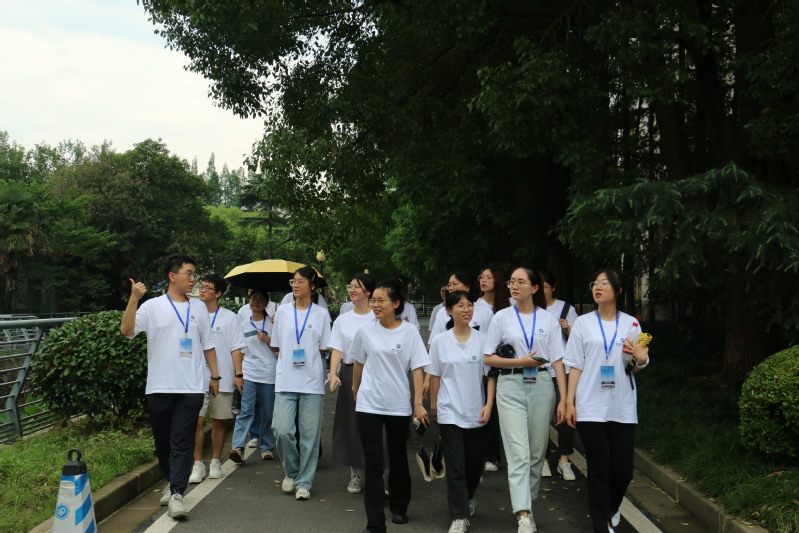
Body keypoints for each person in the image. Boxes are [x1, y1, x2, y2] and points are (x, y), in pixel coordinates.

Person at [120, 254, 220, 520]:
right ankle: (171, 480)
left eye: (195, 274)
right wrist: (133, 299)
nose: (193, 279)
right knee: (163, 441)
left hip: (192, 387)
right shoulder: (152, 306)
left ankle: (177, 493)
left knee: (182, 441)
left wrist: (215, 376)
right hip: (160, 386)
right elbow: (127, 331)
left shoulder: (199, 308)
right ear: (172, 276)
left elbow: (208, 344)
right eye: (189, 273)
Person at [564, 268, 649, 533]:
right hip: (590, 404)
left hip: (622, 405)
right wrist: (569, 402)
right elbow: (575, 365)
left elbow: (633, 365)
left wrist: (641, 359)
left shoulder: (631, 324)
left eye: (605, 283)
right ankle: (601, 525)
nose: (597, 287)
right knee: (598, 467)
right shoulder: (583, 323)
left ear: (619, 291)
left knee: (623, 471)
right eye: (595, 283)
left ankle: (610, 508)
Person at [483, 267, 567, 533]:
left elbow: (558, 361)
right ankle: (523, 513)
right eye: (511, 281)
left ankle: (527, 505)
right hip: (510, 385)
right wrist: (520, 361)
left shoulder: (548, 320)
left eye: (521, 282)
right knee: (518, 452)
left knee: (536, 453)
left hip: (542, 385)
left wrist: (565, 399)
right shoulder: (501, 317)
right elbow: (488, 357)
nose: (514, 286)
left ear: (535, 288)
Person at [351, 280, 430, 533]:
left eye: (380, 300)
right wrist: (355, 389)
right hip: (369, 404)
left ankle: (399, 506)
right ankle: (375, 523)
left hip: (397, 404)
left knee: (397, 458)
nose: (375, 305)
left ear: (396, 304)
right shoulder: (365, 331)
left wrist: (418, 403)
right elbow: (358, 362)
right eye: (373, 300)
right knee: (373, 464)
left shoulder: (409, 332)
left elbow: (417, 368)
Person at [428, 291, 496, 533]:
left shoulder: (483, 339)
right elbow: (435, 375)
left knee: (474, 465)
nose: (466, 309)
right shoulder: (440, 341)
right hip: (449, 411)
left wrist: (489, 404)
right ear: (449, 311)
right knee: (455, 465)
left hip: (476, 411)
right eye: (460, 306)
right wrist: (433, 405)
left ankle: (467, 496)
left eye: (469, 305)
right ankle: (458, 516)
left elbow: (490, 376)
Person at [270, 266, 332, 501]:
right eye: (293, 281)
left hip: (311, 383)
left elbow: (323, 349)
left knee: (309, 436)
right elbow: (276, 345)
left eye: (300, 281)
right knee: (282, 430)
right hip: (285, 381)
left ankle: (304, 482)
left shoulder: (321, 314)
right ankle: (292, 471)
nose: (295, 285)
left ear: (312, 286)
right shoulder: (283, 311)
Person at [189, 275, 246, 484]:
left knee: (219, 421)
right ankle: (197, 463)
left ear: (219, 293)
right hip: (195, 378)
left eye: (207, 288)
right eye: (201, 286)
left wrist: (238, 374)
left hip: (222, 377)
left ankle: (215, 461)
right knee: (196, 421)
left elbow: (236, 348)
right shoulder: (191, 314)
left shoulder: (229, 317)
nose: (202, 290)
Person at [328, 273, 377, 494]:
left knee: (376, 424)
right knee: (351, 423)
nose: (352, 290)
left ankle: (377, 473)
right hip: (350, 373)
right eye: (350, 286)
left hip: (376, 374)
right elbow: (337, 348)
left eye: (357, 286)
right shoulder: (343, 319)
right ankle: (355, 473)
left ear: (369, 291)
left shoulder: (378, 316)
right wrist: (333, 373)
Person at [228, 288, 278, 463]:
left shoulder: (273, 324)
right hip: (249, 372)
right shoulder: (242, 325)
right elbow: (239, 351)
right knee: (246, 410)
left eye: (260, 299)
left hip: (269, 373)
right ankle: (238, 447)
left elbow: (280, 350)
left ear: (266, 303)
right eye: (253, 299)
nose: (256, 302)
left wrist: (267, 339)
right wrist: (238, 374)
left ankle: (267, 447)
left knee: (268, 413)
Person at [540, 270, 580, 481]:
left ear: (553, 288)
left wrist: (568, 329)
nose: (542, 291)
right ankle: (544, 460)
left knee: (565, 415)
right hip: (539, 369)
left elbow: (579, 340)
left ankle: (564, 460)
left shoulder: (566, 309)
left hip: (562, 371)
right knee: (541, 417)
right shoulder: (532, 309)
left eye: (546, 287)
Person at [476, 266, 511, 473]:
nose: (483, 280)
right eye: (481, 277)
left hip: (505, 364)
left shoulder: (509, 306)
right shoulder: (475, 306)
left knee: (498, 410)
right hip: (482, 364)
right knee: (484, 407)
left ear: (497, 280)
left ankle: (494, 455)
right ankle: (484, 455)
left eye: (488, 277)